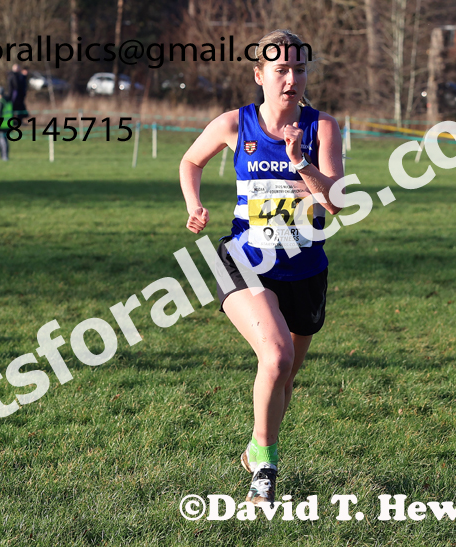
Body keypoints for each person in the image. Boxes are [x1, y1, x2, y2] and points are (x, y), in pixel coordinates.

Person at [179, 29, 344, 506]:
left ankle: (257, 447)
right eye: (281, 70)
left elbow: (337, 204)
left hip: (306, 269)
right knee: (275, 356)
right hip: (244, 262)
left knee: (284, 379)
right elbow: (191, 160)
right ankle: (266, 470)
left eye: (300, 69)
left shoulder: (323, 128)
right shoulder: (235, 124)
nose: (292, 79)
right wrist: (194, 204)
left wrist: (302, 164)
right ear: (259, 75)